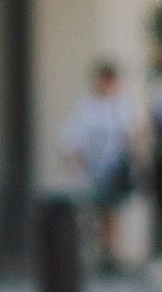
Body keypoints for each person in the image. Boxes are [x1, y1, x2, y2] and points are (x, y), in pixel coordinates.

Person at [56, 61, 140, 271]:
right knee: (93, 213)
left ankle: (110, 254)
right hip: (92, 172)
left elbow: (132, 136)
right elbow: (70, 140)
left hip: (115, 170)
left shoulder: (122, 106)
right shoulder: (86, 108)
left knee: (112, 212)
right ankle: (95, 253)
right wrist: (77, 166)